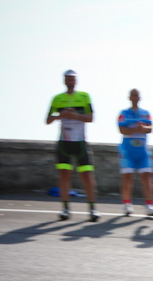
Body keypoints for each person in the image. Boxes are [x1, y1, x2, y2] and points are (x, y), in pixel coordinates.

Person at [46, 69, 98, 222]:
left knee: (87, 176)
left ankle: (93, 209)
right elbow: (48, 120)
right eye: (68, 79)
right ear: (64, 81)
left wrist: (75, 115)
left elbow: (91, 118)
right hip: (64, 143)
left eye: (72, 79)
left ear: (76, 81)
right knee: (64, 176)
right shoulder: (57, 98)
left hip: (81, 142)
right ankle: (65, 209)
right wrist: (61, 115)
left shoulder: (84, 96)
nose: (70, 82)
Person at [117, 89, 153, 217]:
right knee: (127, 177)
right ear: (129, 97)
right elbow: (121, 129)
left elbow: (151, 128)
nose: (135, 97)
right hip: (127, 150)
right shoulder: (123, 113)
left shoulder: (146, 113)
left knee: (147, 177)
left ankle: (149, 205)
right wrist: (135, 129)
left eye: (137, 95)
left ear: (139, 97)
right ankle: (127, 204)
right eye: (133, 95)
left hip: (142, 150)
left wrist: (143, 128)